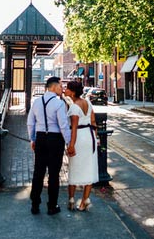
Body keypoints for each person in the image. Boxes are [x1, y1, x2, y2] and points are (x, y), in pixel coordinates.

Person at [27, 76, 72, 215]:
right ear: (52, 87)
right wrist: (69, 142)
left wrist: (32, 139)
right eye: (60, 86)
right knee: (53, 174)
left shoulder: (36, 102)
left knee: (38, 172)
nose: (62, 88)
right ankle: (52, 206)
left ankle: (35, 204)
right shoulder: (59, 104)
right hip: (55, 140)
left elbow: (30, 123)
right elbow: (63, 125)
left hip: (40, 138)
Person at [64, 80, 99, 212]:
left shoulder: (74, 107)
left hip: (79, 137)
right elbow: (93, 121)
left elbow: (73, 128)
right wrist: (96, 138)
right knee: (89, 167)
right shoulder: (88, 103)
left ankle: (71, 199)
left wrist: (71, 145)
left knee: (74, 167)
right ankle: (85, 201)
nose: (65, 90)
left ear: (72, 92)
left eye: (67, 88)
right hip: (89, 137)